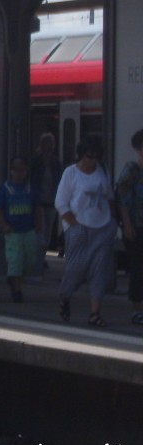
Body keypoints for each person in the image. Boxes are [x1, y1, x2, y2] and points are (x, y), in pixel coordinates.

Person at [55, 137, 115, 327]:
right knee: (75, 269)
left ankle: (95, 313)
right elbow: (61, 202)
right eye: (90, 156)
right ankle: (65, 297)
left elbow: (109, 196)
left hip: (102, 227)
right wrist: (73, 224)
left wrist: (112, 222)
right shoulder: (71, 173)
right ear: (82, 155)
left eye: (97, 157)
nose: (93, 160)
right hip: (79, 227)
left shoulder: (101, 171)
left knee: (99, 272)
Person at [0, 157, 43, 302]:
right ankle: (16, 289)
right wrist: (4, 225)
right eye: (15, 170)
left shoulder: (31, 189)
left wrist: (39, 223)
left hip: (29, 230)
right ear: (11, 171)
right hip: (13, 232)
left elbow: (38, 207)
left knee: (30, 260)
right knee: (15, 261)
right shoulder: (6, 189)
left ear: (26, 171)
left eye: (22, 170)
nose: (18, 173)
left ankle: (15, 278)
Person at [114, 128, 143, 326]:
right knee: (138, 268)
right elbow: (123, 199)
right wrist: (127, 225)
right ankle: (137, 308)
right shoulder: (131, 170)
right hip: (136, 226)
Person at [29, 132, 62, 264]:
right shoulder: (36, 161)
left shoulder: (56, 162)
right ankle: (38, 260)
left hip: (51, 201)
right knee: (40, 231)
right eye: (49, 143)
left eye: (53, 144)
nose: (51, 146)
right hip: (39, 202)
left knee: (47, 234)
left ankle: (41, 258)